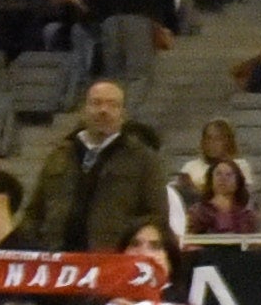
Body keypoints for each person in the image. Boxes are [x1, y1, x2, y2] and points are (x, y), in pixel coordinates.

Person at [22, 79, 171, 254]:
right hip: (57, 258)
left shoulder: (143, 159)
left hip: (112, 260)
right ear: (83, 110)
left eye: (112, 105)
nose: (103, 110)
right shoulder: (59, 154)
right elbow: (35, 211)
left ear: (123, 113)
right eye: (96, 103)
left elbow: (156, 217)